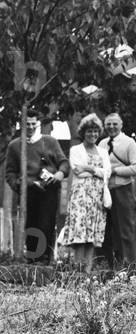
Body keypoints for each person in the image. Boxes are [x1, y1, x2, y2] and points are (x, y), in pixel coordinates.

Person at [5, 110, 69, 264]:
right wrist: (20, 185)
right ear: (22, 125)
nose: (31, 127)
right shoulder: (15, 146)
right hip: (29, 191)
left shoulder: (50, 141)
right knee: (31, 225)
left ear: (38, 124)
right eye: (27, 124)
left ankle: (46, 259)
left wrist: (60, 174)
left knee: (46, 224)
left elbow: (64, 162)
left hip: (49, 190)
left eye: (34, 124)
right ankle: (34, 259)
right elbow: (10, 173)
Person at [61, 115, 110, 271]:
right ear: (83, 132)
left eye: (96, 131)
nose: (93, 134)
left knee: (92, 236)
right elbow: (77, 171)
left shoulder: (103, 152)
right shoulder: (75, 150)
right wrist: (97, 171)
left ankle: (87, 272)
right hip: (80, 196)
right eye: (89, 131)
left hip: (97, 196)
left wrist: (89, 168)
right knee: (79, 233)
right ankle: (77, 270)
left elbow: (107, 172)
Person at [99, 113, 136, 267]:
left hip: (123, 189)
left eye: (114, 124)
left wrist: (116, 170)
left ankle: (129, 265)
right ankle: (108, 264)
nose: (111, 127)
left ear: (121, 124)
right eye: (108, 124)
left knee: (126, 229)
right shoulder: (102, 144)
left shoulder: (129, 143)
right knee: (104, 229)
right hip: (104, 190)